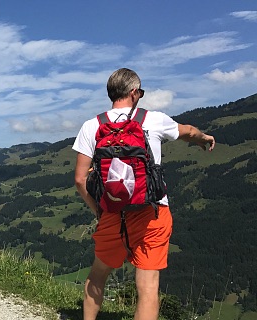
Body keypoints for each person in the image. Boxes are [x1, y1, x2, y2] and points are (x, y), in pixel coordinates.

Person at [72, 68, 215, 320]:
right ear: (134, 92)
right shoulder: (153, 119)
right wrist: (204, 139)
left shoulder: (91, 126)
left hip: (112, 213)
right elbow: (189, 131)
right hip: (153, 211)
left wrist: (99, 210)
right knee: (148, 287)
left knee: (97, 275)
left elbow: (80, 179)